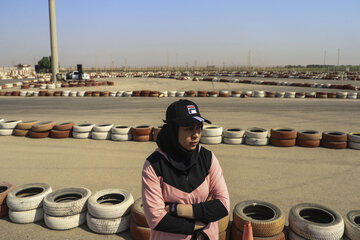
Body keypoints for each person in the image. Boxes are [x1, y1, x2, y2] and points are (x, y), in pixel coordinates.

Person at [142, 99, 230, 240]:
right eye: (189, 128)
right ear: (173, 130)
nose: (196, 134)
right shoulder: (154, 165)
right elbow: (156, 219)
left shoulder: (208, 158)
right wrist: (200, 220)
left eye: (199, 127)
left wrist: (177, 209)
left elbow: (223, 206)